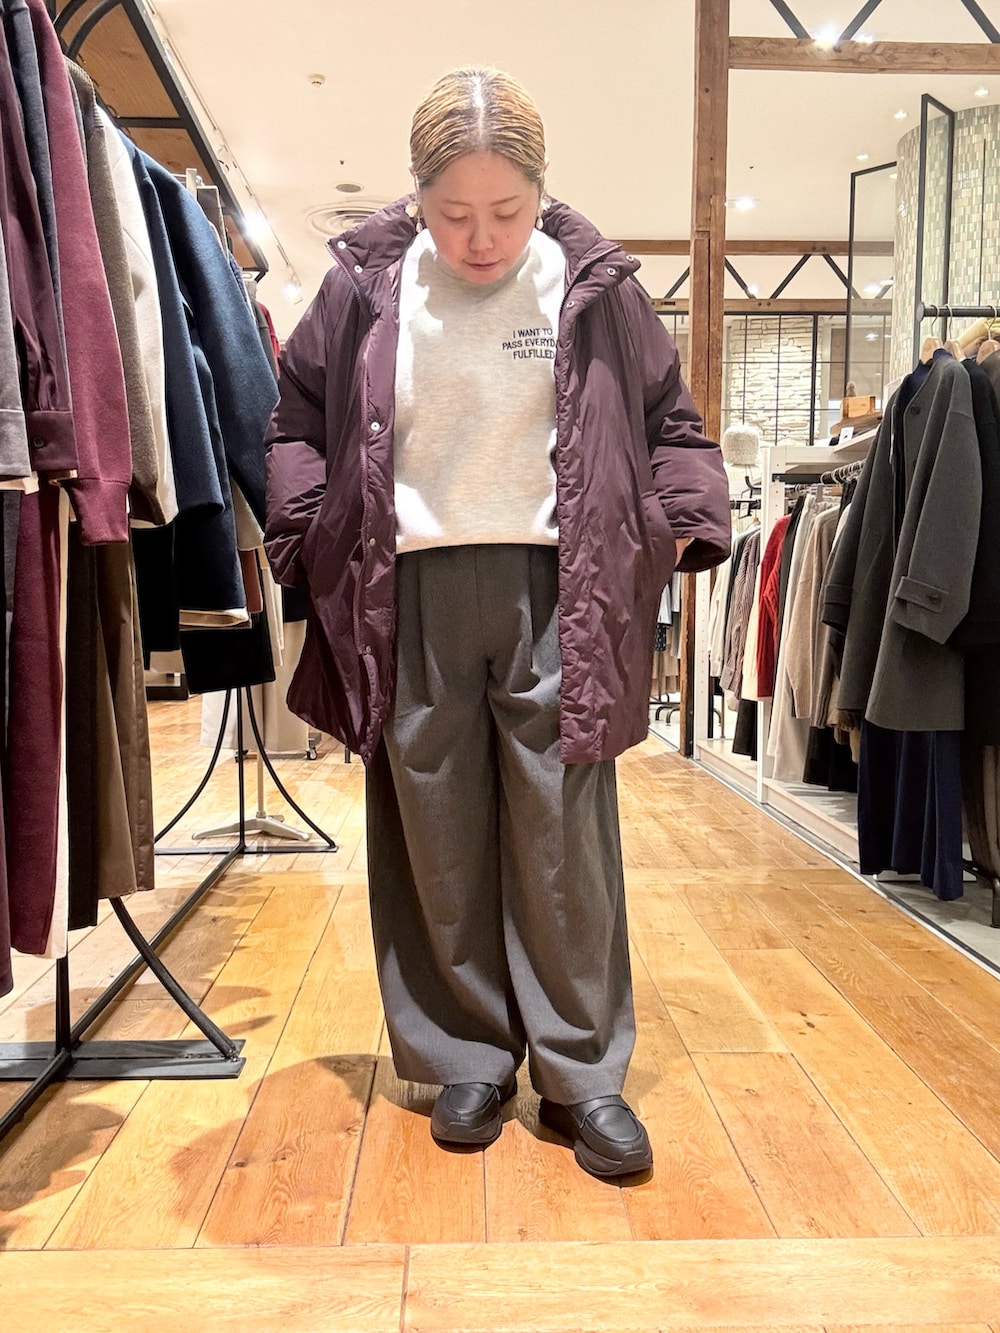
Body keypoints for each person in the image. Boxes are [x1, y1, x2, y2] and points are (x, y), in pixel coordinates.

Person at [264, 66, 730, 1180]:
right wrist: (310, 530)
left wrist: (669, 528)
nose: (480, 238)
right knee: (432, 825)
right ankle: (465, 1053)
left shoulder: (594, 285)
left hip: (560, 585)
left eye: (506, 211)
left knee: (564, 832)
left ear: (541, 189)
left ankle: (581, 1071)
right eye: (453, 211)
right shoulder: (365, 286)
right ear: (416, 195)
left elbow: (670, 421)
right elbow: (296, 419)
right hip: (408, 586)